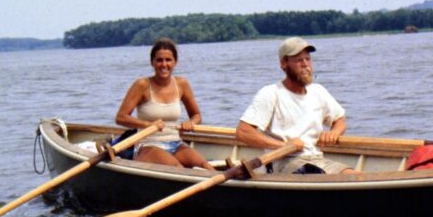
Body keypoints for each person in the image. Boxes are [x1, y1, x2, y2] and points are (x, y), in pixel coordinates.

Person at [236, 36, 356, 174]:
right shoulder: (271, 93)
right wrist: (285, 146)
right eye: (299, 60)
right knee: (314, 174)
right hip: (284, 162)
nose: (305, 64)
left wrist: (334, 132)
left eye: (308, 59)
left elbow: (340, 120)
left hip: (317, 158)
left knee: (355, 176)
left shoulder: (318, 91)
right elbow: (243, 132)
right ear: (283, 64)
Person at [115, 37, 216, 170]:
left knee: (206, 166)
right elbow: (121, 117)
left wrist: (191, 122)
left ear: (175, 62)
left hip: (175, 143)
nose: (164, 64)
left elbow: (196, 115)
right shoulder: (142, 85)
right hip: (148, 145)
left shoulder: (182, 84)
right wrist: (147, 124)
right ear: (152, 62)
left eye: (168, 60)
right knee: (178, 169)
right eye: (159, 60)